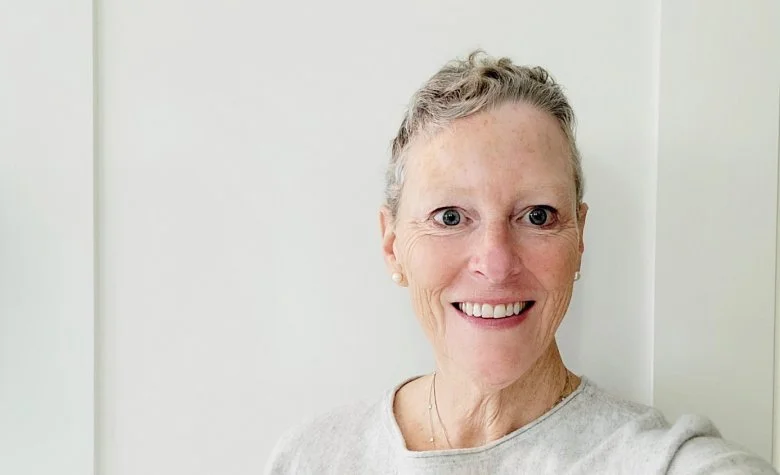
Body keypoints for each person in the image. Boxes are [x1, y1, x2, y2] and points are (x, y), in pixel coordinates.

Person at [264, 51, 777, 474]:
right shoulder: (310, 458)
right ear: (392, 244)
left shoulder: (662, 463)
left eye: (537, 215)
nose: (496, 262)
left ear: (579, 239)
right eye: (449, 216)